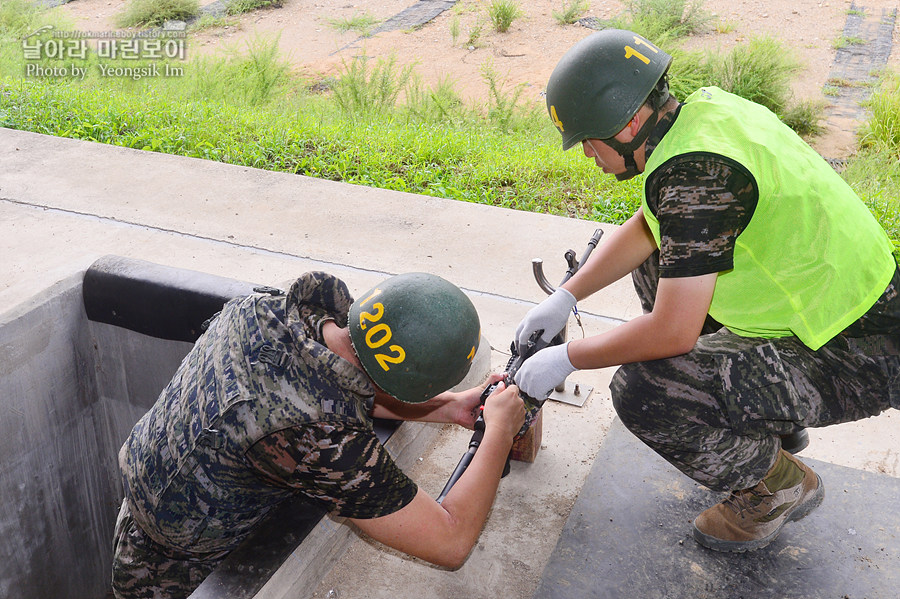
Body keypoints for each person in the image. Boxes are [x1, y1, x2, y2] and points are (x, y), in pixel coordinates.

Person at [515, 29, 900, 553]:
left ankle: (774, 488)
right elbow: (652, 227)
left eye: (588, 139)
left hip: (854, 351)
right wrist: (567, 295)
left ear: (628, 125)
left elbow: (671, 332)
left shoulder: (694, 177)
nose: (586, 154)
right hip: (837, 308)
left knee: (648, 390)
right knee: (658, 264)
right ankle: (764, 424)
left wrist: (567, 359)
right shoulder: (703, 116)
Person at [111, 271, 525, 598]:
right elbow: (450, 542)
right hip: (175, 574)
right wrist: (500, 433)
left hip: (146, 506)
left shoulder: (274, 309)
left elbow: (341, 380)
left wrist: (447, 406)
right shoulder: (324, 440)